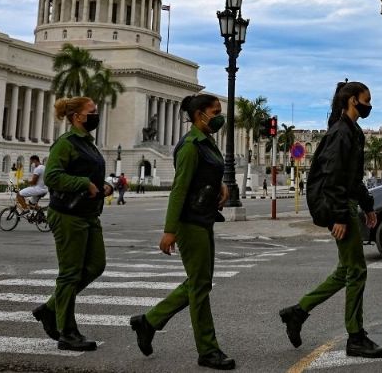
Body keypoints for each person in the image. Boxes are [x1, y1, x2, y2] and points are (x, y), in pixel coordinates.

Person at [279, 81, 382, 360]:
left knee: (345, 271)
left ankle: (298, 312)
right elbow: (332, 177)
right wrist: (340, 216)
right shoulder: (341, 133)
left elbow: (352, 176)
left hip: (349, 204)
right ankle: (355, 336)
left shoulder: (351, 131)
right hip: (342, 208)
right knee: (357, 272)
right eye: (366, 99)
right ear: (352, 100)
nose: (369, 105)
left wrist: (368, 205)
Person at [130, 93, 235, 370]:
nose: (219, 116)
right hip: (190, 222)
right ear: (200, 114)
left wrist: (220, 185)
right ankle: (208, 350)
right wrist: (169, 231)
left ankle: (149, 321)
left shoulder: (206, 141)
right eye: (215, 111)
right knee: (200, 286)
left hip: (205, 218)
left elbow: (207, 173)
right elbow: (179, 190)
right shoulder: (189, 146)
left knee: (200, 282)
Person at [31, 96, 114, 352]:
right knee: (69, 274)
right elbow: (53, 176)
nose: (96, 115)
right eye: (92, 111)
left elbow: (89, 176)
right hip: (68, 214)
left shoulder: (88, 143)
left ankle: (50, 308)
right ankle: (67, 332)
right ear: (77, 116)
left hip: (89, 214)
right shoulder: (65, 143)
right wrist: (82, 184)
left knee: (96, 265)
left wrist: (104, 186)